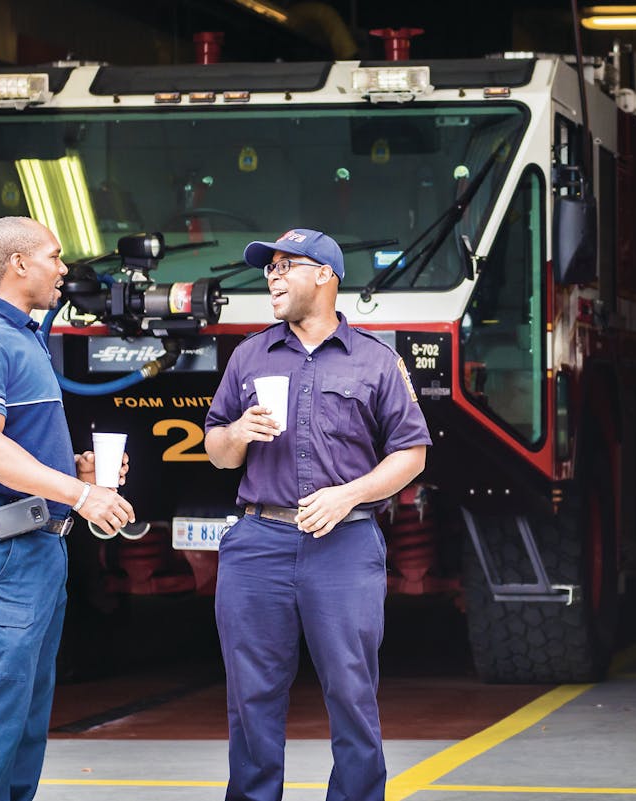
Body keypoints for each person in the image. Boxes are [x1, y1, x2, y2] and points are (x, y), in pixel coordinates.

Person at [204, 228, 431, 801]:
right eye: (269, 268)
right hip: (257, 543)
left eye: (286, 266)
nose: (272, 277)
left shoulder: (376, 362)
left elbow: (411, 453)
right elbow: (216, 451)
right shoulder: (249, 354)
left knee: (351, 692)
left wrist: (349, 495)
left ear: (325, 275)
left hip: (344, 544)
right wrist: (235, 433)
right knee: (251, 696)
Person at [0, 216, 136, 801]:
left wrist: (73, 471)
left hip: (38, 541)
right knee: (5, 696)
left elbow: (17, 442)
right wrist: (82, 494)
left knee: (28, 701)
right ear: (19, 263)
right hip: (6, 544)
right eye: (54, 256)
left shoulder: (24, 335)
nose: (64, 269)